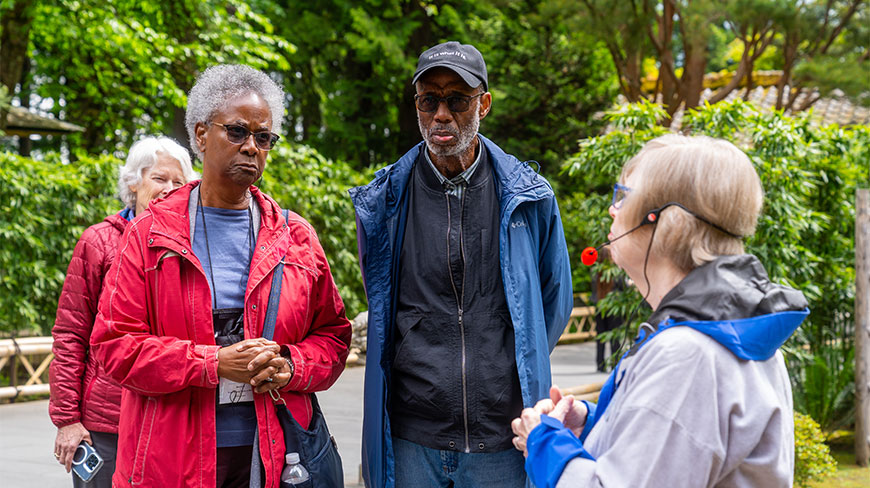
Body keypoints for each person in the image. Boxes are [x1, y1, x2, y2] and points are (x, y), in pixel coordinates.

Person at [90, 64, 352, 487]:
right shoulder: (149, 235)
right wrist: (212, 363)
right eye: (237, 132)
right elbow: (113, 345)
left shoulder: (295, 237)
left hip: (276, 456)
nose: (251, 146)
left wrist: (291, 365)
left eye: (263, 137)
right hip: (172, 460)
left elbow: (334, 336)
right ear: (199, 135)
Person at [511, 134, 809, 487]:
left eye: (624, 196)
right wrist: (591, 423)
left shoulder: (688, 356)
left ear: (669, 222)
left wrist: (543, 444)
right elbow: (675, 453)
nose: (612, 209)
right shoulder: (727, 328)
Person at [350, 41, 573, 488]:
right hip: (413, 434)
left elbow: (553, 301)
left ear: (483, 104)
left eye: (457, 99)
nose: (441, 115)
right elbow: (383, 300)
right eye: (429, 100)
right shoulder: (383, 201)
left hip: (502, 433)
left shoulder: (529, 198)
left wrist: (507, 365)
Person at [49, 136, 197, 487]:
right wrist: (67, 419)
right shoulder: (99, 241)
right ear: (134, 183)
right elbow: (71, 334)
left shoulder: (192, 244)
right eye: (159, 179)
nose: (169, 189)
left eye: (179, 182)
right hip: (106, 421)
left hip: (172, 414)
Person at [589, 247, 624, 372]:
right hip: (613, 307)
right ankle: (615, 363)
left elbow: (593, 290)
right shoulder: (615, 272)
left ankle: (600, 364)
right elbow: (622, 289)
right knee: (614, 337)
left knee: (600, 336)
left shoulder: (594, 271)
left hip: (600, 306)